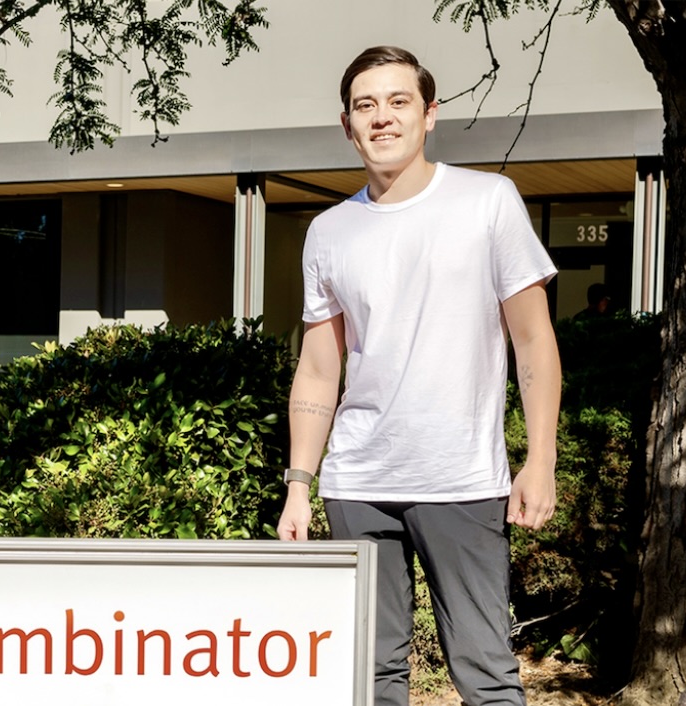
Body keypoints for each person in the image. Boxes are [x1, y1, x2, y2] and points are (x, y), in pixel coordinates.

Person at [276, 46, 561, 706]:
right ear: (347, 124)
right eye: (365, 105)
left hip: (460, 481)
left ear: (429, 114)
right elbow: (318, 369)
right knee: (370, 677)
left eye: (398, 101)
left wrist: (540, 458)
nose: (382, 117)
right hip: (357, 485)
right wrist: (299, 485)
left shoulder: (488, 201)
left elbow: (533, 339)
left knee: (485, 674)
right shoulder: (329, 231)